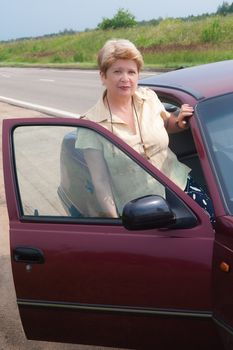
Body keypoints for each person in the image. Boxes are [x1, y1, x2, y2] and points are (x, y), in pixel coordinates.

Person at [76, 38, 214, 221]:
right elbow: (100, 181)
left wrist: (179, 123)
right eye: (117, 71)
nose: (125, 79)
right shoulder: (91, 124)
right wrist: (116, 221)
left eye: (131, 72)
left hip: (180, 188)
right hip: (140, 209)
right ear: (103, 76)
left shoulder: (149, 98)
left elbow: (165, 124)